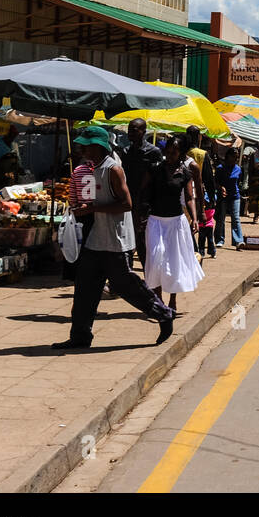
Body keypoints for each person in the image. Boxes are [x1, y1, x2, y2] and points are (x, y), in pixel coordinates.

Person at [55, 126, 174, 349]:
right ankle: (80, 335)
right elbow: (92, 200)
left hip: (115, 240)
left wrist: (91, 210)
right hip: (94, 240)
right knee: (84, 289)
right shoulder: (90, 169)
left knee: (126, 284)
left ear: (98, 147)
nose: (82, 148)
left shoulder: (113, 169)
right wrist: (83, 208)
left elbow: (126, 204)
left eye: (87, 145)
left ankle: (163, 314)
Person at [143, 137, 203, 314]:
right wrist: (141, 214)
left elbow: (190, 197)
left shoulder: (184, 173)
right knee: (155, 260)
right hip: (155, 222)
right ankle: (159, 300)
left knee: (174, 262)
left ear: (180, 154)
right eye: (167, 152)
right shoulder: (154, 170)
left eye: (173, 153)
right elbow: (143, 192)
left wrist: (195, 218)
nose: (169, 156)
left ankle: (172, 300)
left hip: (176, 223)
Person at [121, 118, 162, 269]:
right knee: (127, 244)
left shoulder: (154, 152)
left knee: (144, 245)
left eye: (134, 129)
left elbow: (158, 180)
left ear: (144, 132)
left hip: (146, 206)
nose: (130, 132)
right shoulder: (125, 152)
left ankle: (150, 282)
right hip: (128, 203)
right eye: (129, 129)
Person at [214, 145, 244, 249]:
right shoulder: (220, 168)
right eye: (234, 156)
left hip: (235, 196)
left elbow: (238, 181)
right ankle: (219, 239)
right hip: (223, 197)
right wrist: (221, 187)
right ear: (228, 156)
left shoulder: (238, 169)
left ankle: (238, 241)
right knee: (221, 218)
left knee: (235, 218)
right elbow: (215, 182)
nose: (235, 158)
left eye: (237, 156)